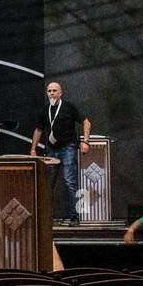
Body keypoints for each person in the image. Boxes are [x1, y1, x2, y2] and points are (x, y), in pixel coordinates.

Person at [29, 80, 91, 226]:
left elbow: (86, 122)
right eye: (49, 91)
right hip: (52, 150)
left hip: (68, 148)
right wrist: (33, 149)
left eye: (54, 90)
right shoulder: (45, 110)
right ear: (47, 93)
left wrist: (86, 141)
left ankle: (74, 217)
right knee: (47, 183)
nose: (52, 93)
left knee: (70, 182)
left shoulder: (68, 107)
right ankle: (44, 216)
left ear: (60, 92)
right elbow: (38, 130)